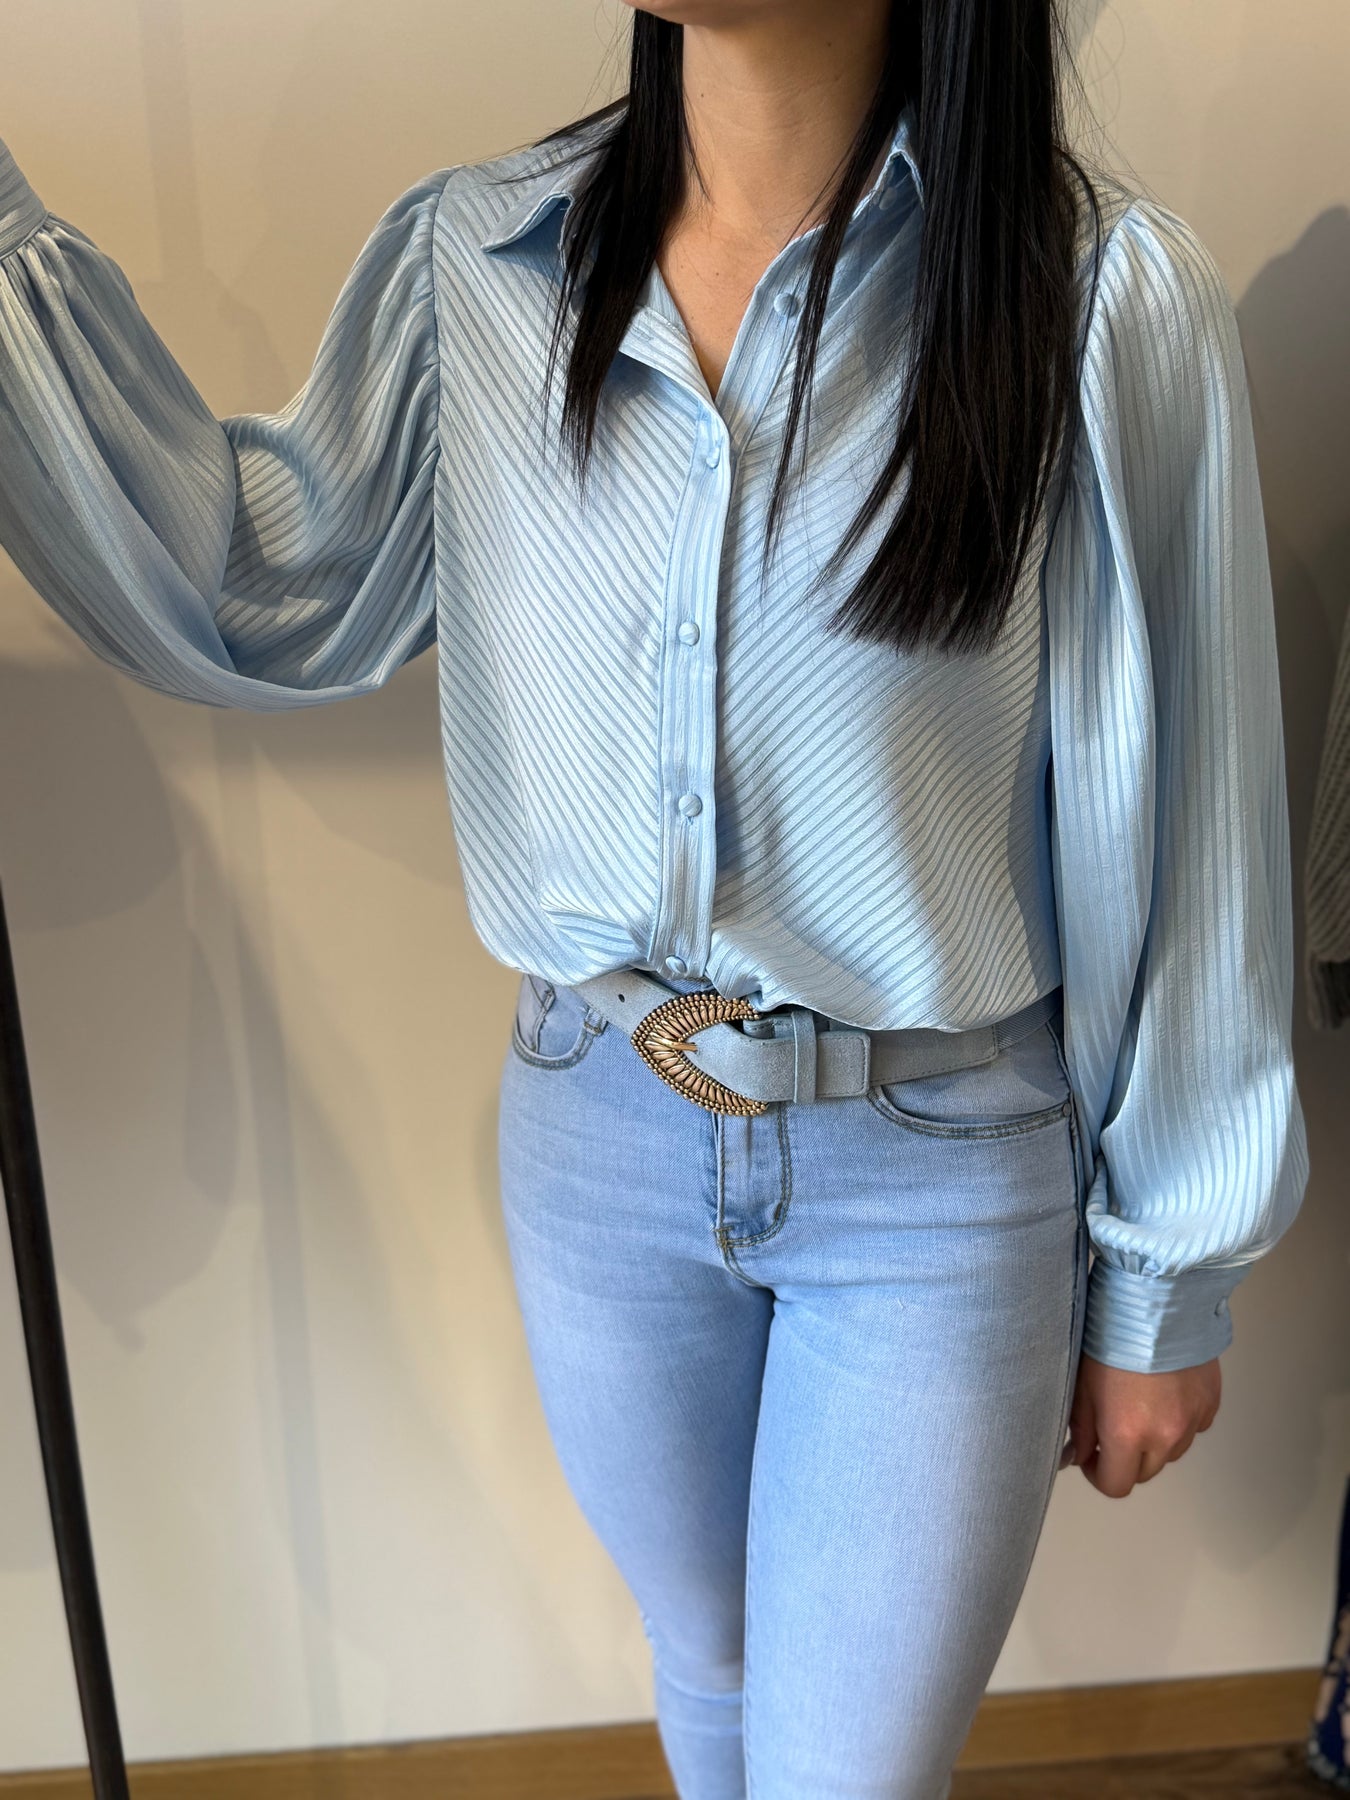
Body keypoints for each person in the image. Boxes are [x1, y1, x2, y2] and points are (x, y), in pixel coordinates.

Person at [0, 2, 1310, 1795]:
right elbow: (255, 584)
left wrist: (1163, 1279)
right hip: (595, 1132)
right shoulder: (482, 262)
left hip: (934, 1174)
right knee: (708, 1672)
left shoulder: (1095, 298)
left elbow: (1190, 813)